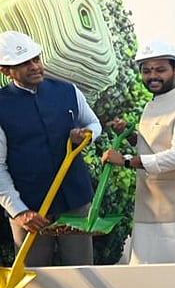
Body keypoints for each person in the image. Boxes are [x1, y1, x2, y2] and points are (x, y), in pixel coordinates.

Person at [102, 39, 175, 264]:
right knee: (145, 279)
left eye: (160, 70)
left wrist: (127, 161)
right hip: (150, 210)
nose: (153, 76)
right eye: (147, 71)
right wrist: (131, 136)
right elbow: (156, 145)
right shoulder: (155, 102)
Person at [0, 30, 101, 266]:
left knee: (82, 270)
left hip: (75, 200)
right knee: (36, 277)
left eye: (36, 59)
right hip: (30, 209)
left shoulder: (68, 91)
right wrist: (19, 211)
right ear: (5, 71)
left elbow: (94, 124)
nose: (34, 67)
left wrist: (87, 136)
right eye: (24, 64)